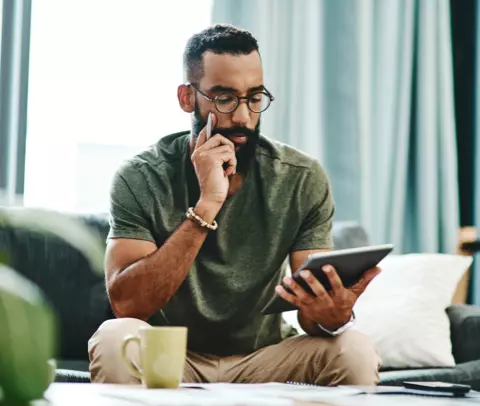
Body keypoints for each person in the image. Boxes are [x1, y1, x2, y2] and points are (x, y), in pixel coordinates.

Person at [88, 23, 381, 386]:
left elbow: (311, 317)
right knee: (115, 338)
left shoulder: (301, 177)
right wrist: (207, 204)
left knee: (354, 348)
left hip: (265, 357)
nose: (243, 116)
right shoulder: (140, 176)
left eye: (255, 97)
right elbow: (128, 307)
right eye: (224, 98)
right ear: (186, 98)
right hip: (173, 358)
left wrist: (332, 313)